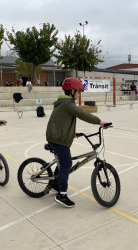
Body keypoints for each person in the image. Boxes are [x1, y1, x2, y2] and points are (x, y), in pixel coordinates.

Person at [46, 77, 109, 208]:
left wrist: (72, 131)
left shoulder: (64, 103)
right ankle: (61, 195)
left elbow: (63, 120)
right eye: (79, 92)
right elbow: (82, 114)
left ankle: (55, 184)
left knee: (62, 163)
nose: (80, 94)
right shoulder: (68, 104)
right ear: (72, 91)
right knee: (67, 164)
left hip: (56, 136)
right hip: (58, 139)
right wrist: (99, 121)